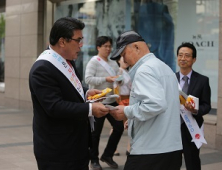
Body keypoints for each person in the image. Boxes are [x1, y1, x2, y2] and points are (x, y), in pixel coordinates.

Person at [29, 17, 109, 170]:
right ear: (62, 41)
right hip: (57, 151)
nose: (81, 45)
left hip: (76, 146)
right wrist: (91, 109)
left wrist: (86, 93)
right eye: (78, 40)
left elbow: (72, 88)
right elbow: (54, 106)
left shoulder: (67, 60)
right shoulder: (42, 69)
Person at [109, 30, 182, 170]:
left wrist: (127, 111)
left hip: (150, 152)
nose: (124, 60)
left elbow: (156, 104)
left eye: (124, 55)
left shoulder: (144, 70)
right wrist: (134, 120)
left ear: (136, 47)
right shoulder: (164, 67)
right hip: (171, 149)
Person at [85, 36, 124, 170]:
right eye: (105, 46)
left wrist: (118, 80)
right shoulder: (94, 62)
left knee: (119, 127)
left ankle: (107, 155)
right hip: (98, 102)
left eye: (109, 46)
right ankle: (94, 160)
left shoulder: (113, 63)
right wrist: (105, 78)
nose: (108, 49)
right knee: (95, 133)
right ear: (98, 47)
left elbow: (117, 78)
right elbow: (88, 79)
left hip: (112, 101)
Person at [176, 42, 211, 170]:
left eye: (187, 55)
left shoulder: (202, 80)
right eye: (180, 55)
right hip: (172, 129)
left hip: (192, 128)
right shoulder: (170, 79)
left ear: (194, 59)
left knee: (192, 162)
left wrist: (196, 110)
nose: (183, 58)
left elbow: (206, 105)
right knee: (172, 162)